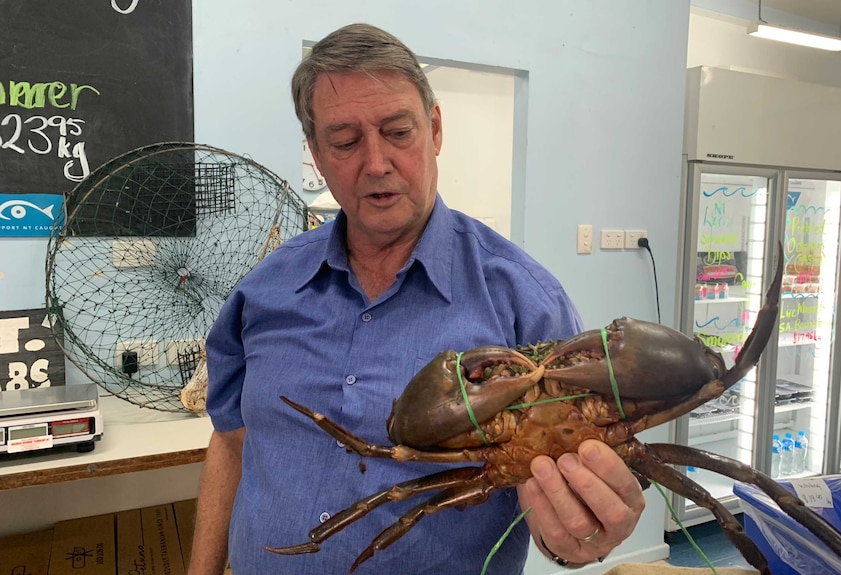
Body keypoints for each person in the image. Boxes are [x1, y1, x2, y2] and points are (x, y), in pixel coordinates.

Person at [188, 23, 645, 575]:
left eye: (398, 131)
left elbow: (551, 496)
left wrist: (575, 538)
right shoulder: (264, 289)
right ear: (315, 152)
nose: (376, 162)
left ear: (433, 129)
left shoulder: (524, 300)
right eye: (346, 141)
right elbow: (232, 443)